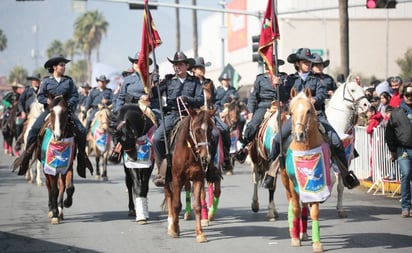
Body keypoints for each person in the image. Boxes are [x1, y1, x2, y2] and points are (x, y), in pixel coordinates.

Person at [263, 48, 359, 189]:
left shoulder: (317, 80)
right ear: (297, 63)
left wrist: (313, 99)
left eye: (309, 62)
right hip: (297, 118)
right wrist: (277, 86)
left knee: (336, 141)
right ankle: (271, 173)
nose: (308, 64)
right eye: (304, 62)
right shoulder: (290, 80)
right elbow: (283, 96)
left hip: (316, 116)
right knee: (277, 140)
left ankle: (346, 175)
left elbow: (322, 94)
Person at [19, 55, 92, 176]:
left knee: (82, 130)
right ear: (54, 67)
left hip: (66, 111)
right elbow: (40, 96)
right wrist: (47, 101)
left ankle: (82, 159)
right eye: (61, 65)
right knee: (33, 130)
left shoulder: (68, 81)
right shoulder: (47, 81)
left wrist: (68, 104)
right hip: (50, 111)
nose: (64, 68)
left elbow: (75, 95)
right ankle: (26, 158)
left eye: (64, 66)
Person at [151, 51, 203, 187]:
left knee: (212, 134)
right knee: (157, 138)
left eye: (180, 64)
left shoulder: (195, 81)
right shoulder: (168, 81)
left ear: (187, 66)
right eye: (175, 65)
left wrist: (188, 99)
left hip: (191, 115)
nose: (177, 67)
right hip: (172, 114)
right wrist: (154, 81)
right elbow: (154, 94)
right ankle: (162, 167)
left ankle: (211, 166)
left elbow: (200, 99)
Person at [236, 58, 288, 164]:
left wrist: (279, 85)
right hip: (264, 106)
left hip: (280, 106)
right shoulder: (260, 79)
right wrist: (251, 111)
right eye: (268, 64)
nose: (270, 66)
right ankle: (245, 146)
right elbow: (253, 96)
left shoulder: (284, 78)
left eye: (273, 64)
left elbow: (286, 95)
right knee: (253, 125)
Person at [108, 52, 157, 163]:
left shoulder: (152, 78)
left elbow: (156, 95)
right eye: (136, 62)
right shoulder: (127, 80)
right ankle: (117, 149)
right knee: (114, 125)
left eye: (141, 62)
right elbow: (121, 97)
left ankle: (160, 156)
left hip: (146, 108)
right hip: (128, 108)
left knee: (159, 126)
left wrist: (156, 83)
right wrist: (118, 111)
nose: (138, 64)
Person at [191, 56, 233, 172]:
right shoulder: (190, 82)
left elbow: (216, 100)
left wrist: (219, 111)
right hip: (196, 113)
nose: (202, 70)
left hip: (210, 112)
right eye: (199, 68)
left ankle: (226, 157)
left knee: (224, 129)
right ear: (193, 69)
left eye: (203, 68)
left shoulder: (209, 82)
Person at [385, 82, 412, 217]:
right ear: (403, 96)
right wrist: (393, 150)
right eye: (407, 95)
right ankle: (406, 206)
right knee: (406, 174)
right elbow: (389, 134)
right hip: (403, 150)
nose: (410, 97)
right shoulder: (396, 113)